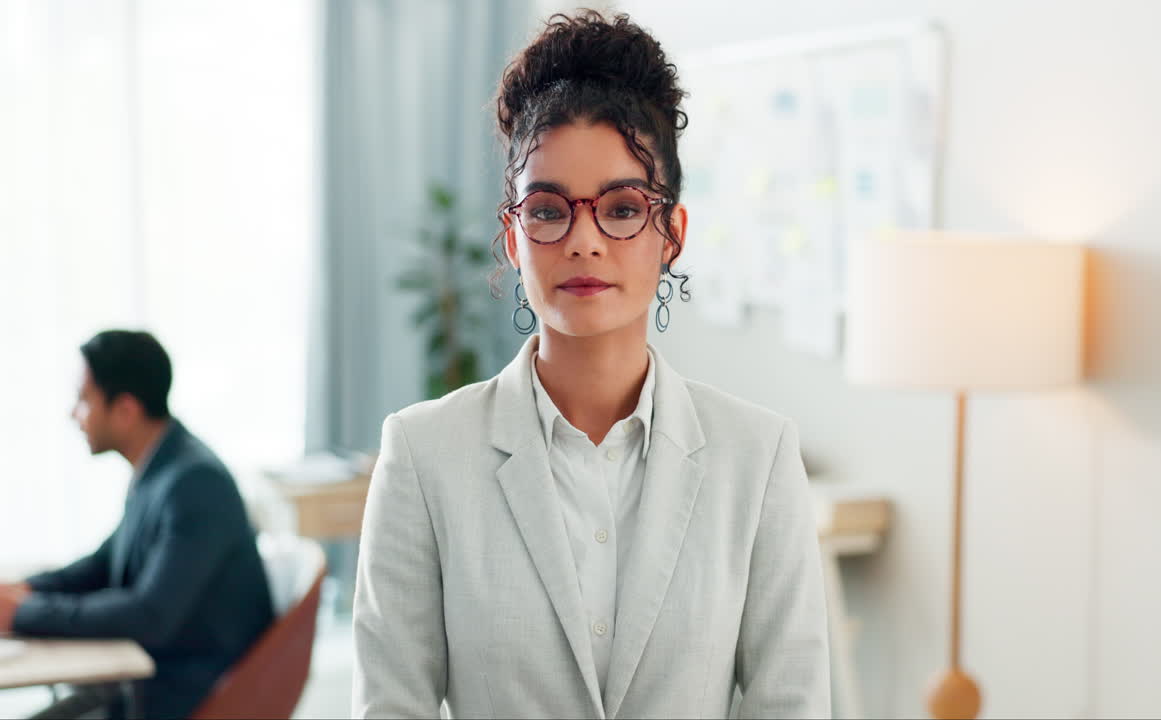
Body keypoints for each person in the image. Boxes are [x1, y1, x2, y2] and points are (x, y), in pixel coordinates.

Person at [351, 10, 830, 719]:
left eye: (622, 207)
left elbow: (791, 705)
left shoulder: (757, 460)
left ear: (672, 234)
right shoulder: (424, 456)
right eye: (547, 210)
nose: (583, 240)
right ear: (513, 236)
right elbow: (392, 707)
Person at [0, 330, 274, 720]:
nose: (73, 414)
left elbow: (150, 615)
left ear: (125, 409)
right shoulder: (162, 466)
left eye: (83, 400)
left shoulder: (194, 483)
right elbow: (102, 564)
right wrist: (26, 589)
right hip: (145, 684)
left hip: (181, 695)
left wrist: (21, 613)